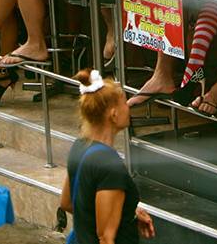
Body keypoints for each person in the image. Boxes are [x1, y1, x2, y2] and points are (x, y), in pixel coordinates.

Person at [60, 69, 155, 244]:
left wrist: (125, 212)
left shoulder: (79, 146)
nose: (128, 107)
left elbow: (67, 202)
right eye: (124, 103)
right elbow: (105, 238)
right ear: (114, 114)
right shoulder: (110, 165)